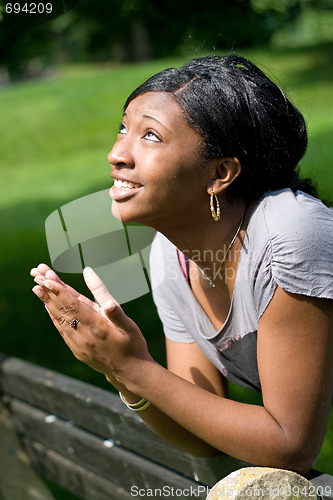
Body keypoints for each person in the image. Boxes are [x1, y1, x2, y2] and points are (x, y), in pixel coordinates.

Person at [30, 55, 333, 475]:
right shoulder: (170, 258)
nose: (116, 153)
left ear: (220, 172)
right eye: (124, 128)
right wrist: (118, 370)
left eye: (150, 135)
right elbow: (201, 435)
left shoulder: (291, 236)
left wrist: (133, 366)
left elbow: (290, 445)